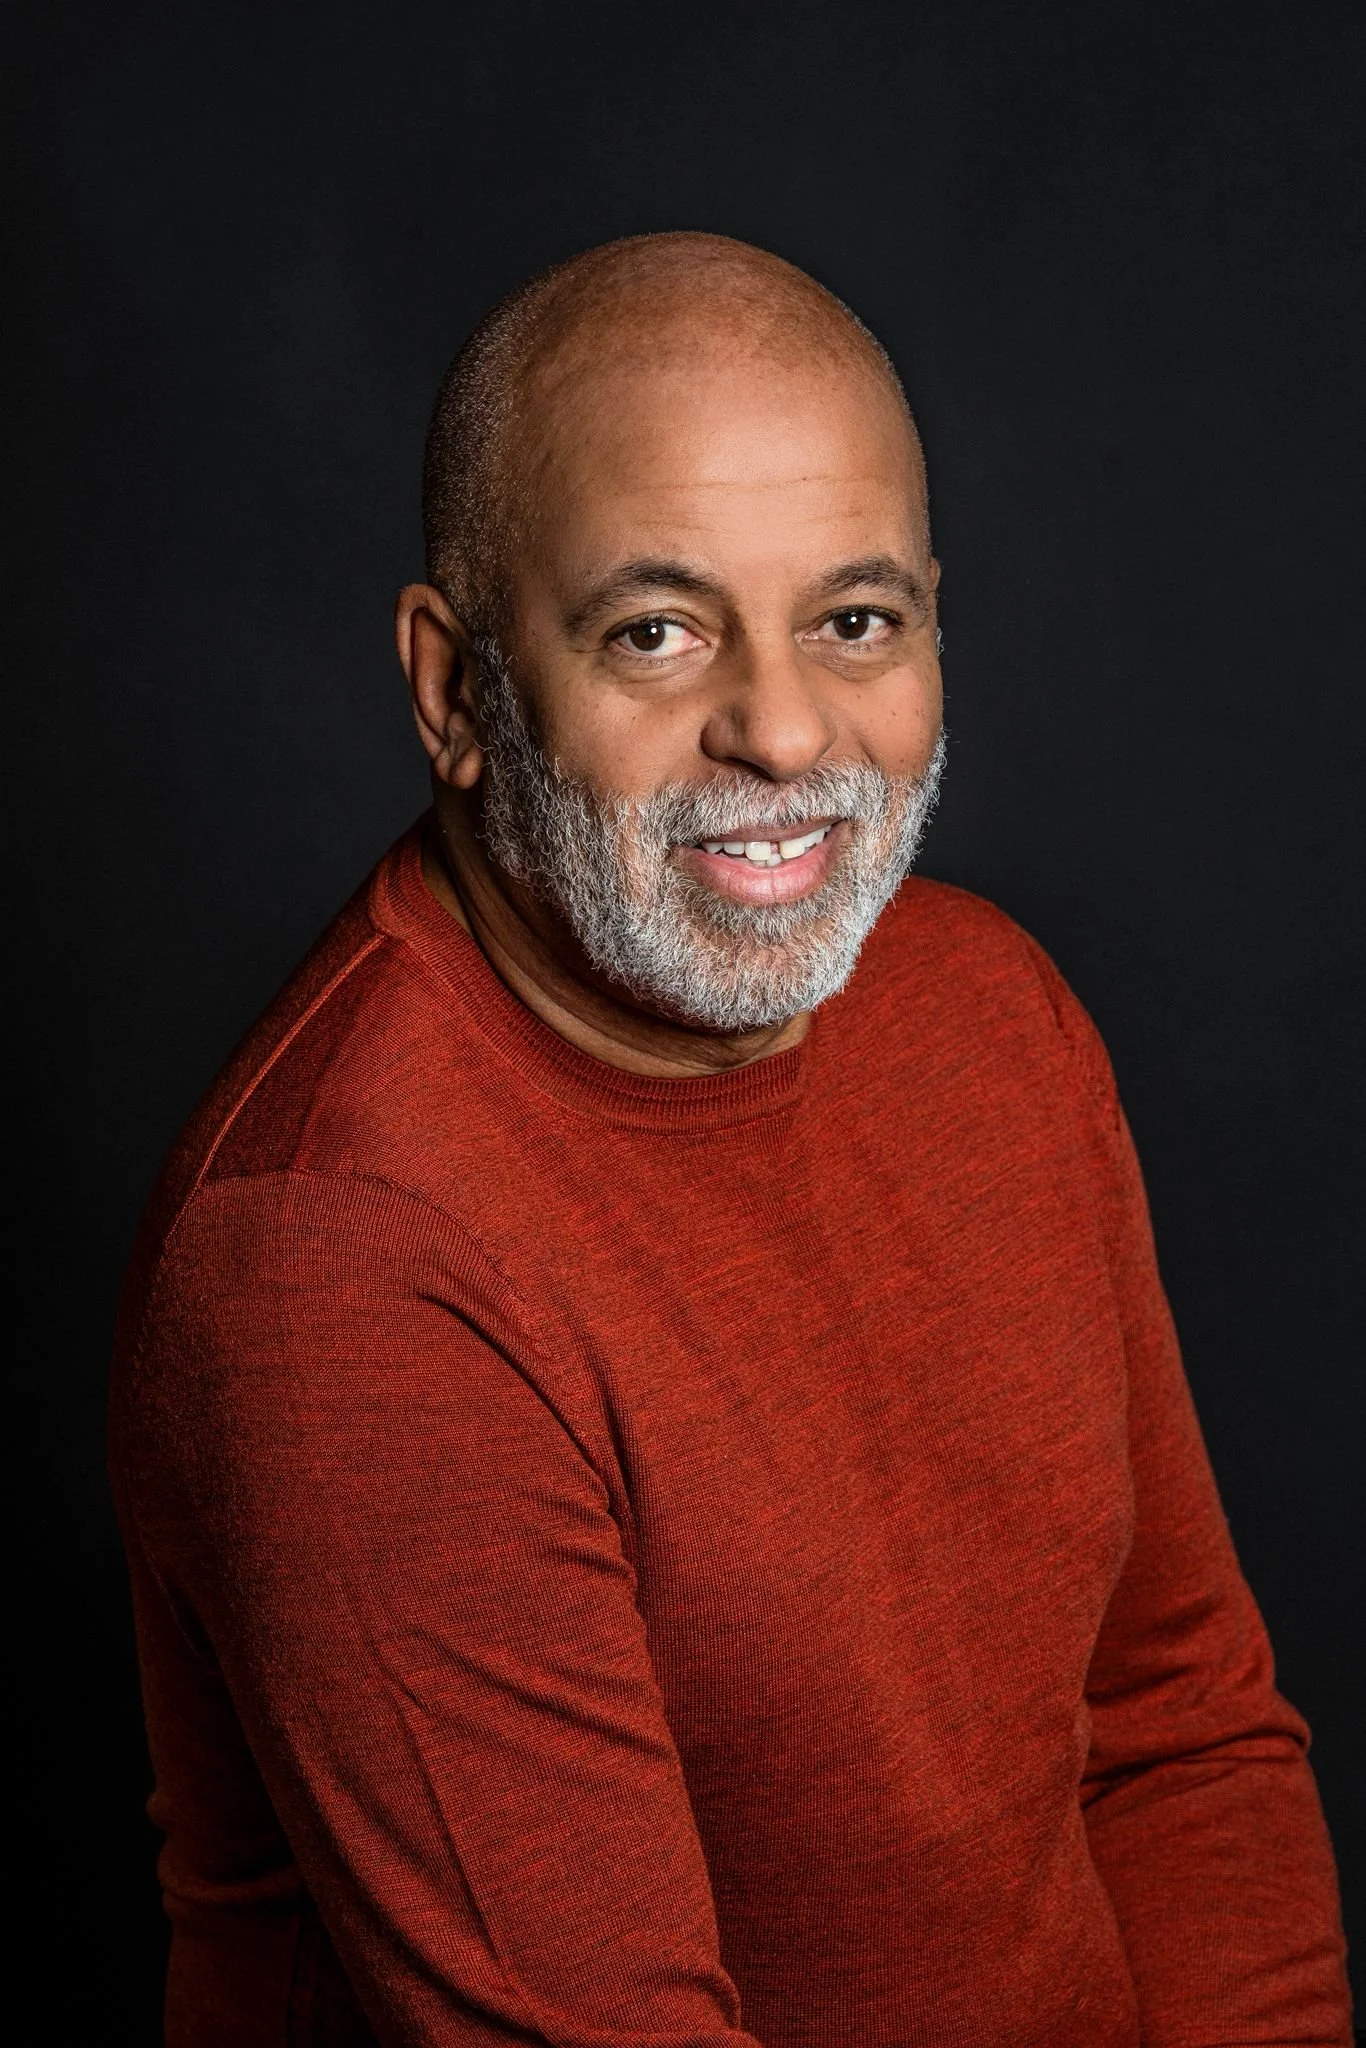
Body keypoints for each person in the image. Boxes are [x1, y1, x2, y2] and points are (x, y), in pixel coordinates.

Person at [109, 232, 1352, 2047]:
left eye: (853, 622)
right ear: (455, 690)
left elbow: (1172, 1729)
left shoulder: (987, 1009)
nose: (780, 731)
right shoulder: (341, 1263)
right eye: (656, 631)